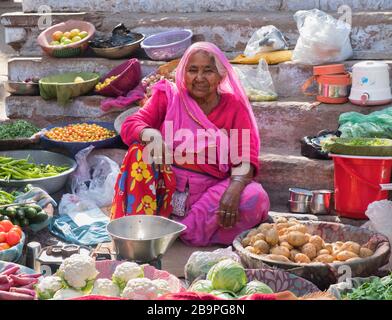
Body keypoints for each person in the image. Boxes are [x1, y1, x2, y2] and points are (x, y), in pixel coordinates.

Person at [111, 42, 270, 246]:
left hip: (209, 194)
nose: (200, 78)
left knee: (255, 196)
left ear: (221, 75)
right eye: (192, 70)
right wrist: (152, 134)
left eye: (208, 71)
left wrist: (234, 188)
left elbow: (245, 157)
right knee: (138, 152)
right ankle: (161, 226)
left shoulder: (234, 107)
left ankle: (178, 230)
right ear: (183, 73)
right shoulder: (169, 96)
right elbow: (131, 124)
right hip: (163, 189)